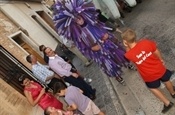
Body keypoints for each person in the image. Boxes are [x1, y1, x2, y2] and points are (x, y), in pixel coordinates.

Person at [52, 0, 136, 85]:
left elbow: (102, 26)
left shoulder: (92, 21)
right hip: (98, 52)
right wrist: (92, 48)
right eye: (75, 19)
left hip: (109, 43)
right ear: (72, 22)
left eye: (79, 17)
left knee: (119, 53)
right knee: (108, 64)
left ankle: (128, 64)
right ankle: (118, 77)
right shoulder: (78, 34)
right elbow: (82, 48)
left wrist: (106, 34)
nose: (79, 20)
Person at [121, 29, 175, 113]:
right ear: (135, 36)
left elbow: (129, 52)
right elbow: (156, 50)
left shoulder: (128, 54)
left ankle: (167, 103)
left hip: (149, 76)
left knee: (152, 88)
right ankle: (173, 93)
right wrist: (161, 59)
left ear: (125, 41)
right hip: (159, 68)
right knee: (166, 80)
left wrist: (127, 46)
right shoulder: (145, 42)